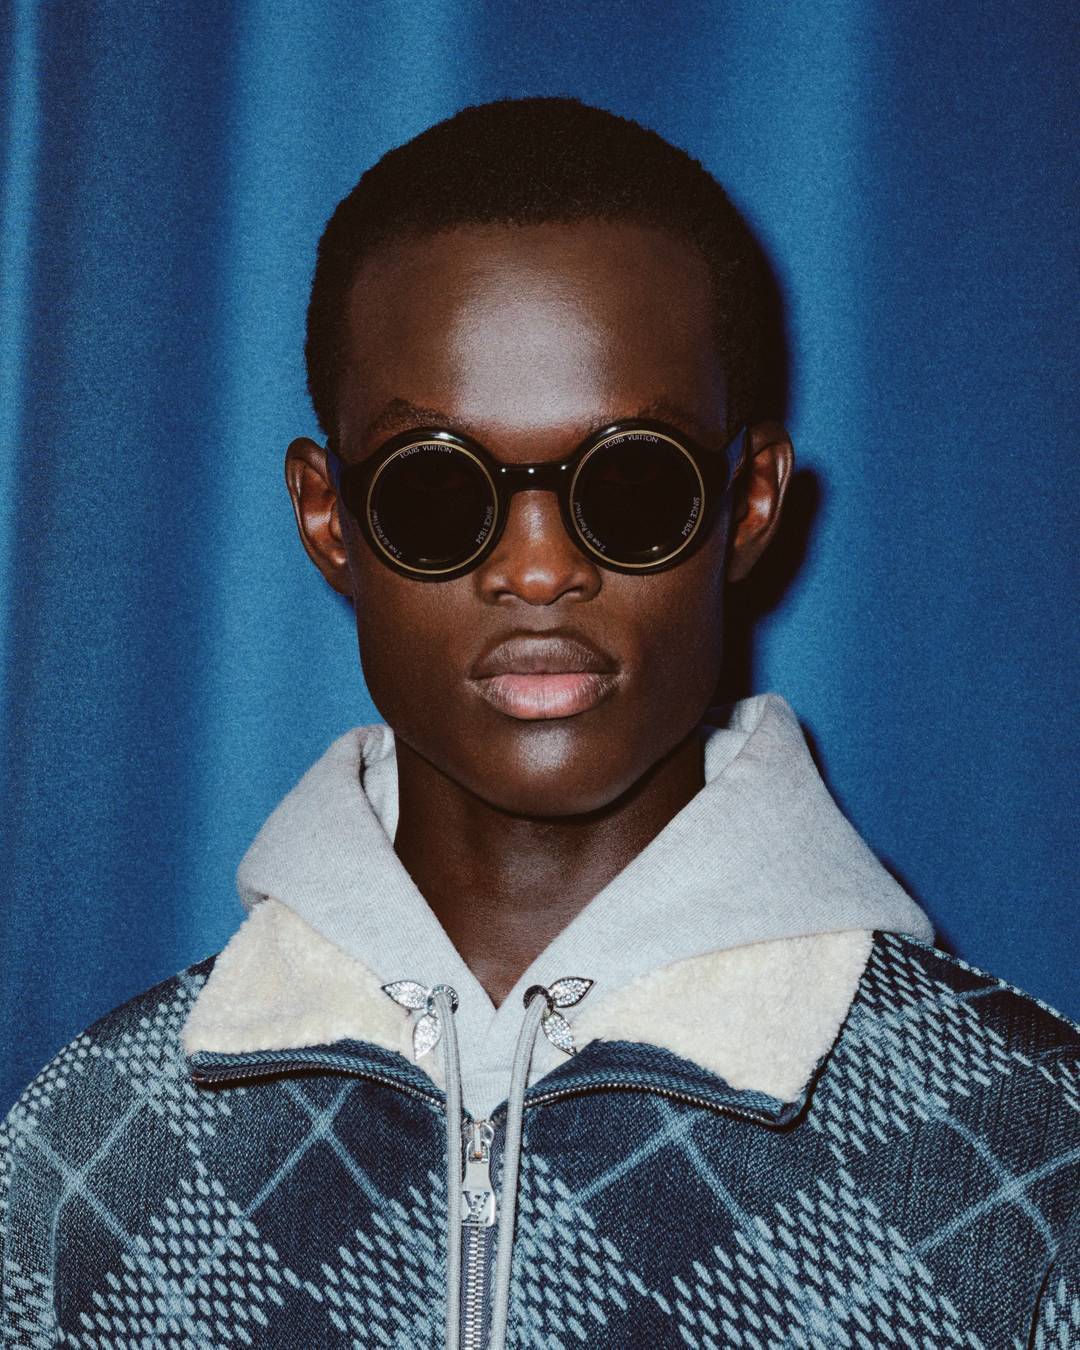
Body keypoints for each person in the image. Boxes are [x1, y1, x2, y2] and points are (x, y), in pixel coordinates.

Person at [1, 97, 1076, 1350]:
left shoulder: (1025, 1165)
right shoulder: (93, 1163)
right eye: (435, 489)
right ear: (327, 518)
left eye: (633, 483)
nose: (538, 567)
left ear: (749, 504)